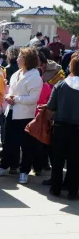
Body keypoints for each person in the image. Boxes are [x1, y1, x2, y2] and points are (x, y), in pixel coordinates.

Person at [0, 47, 43, 184]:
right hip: (11, 112)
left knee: (26, 145)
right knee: (8, 142)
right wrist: (9, 97)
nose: (18, 58)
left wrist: (15, 99)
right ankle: (4, 166)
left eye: (21, 56)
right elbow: (10, 91)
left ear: (28, 60)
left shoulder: (35, 76)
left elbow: (33, 98)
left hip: (25, 115)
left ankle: (24, 171)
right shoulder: (16, 74)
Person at [47, 55, 79, 199]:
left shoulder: (60, 84)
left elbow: (51, 107)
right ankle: (73, 191)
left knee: (58, 160)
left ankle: (55, 188)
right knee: (75, 161)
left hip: (60, 127)